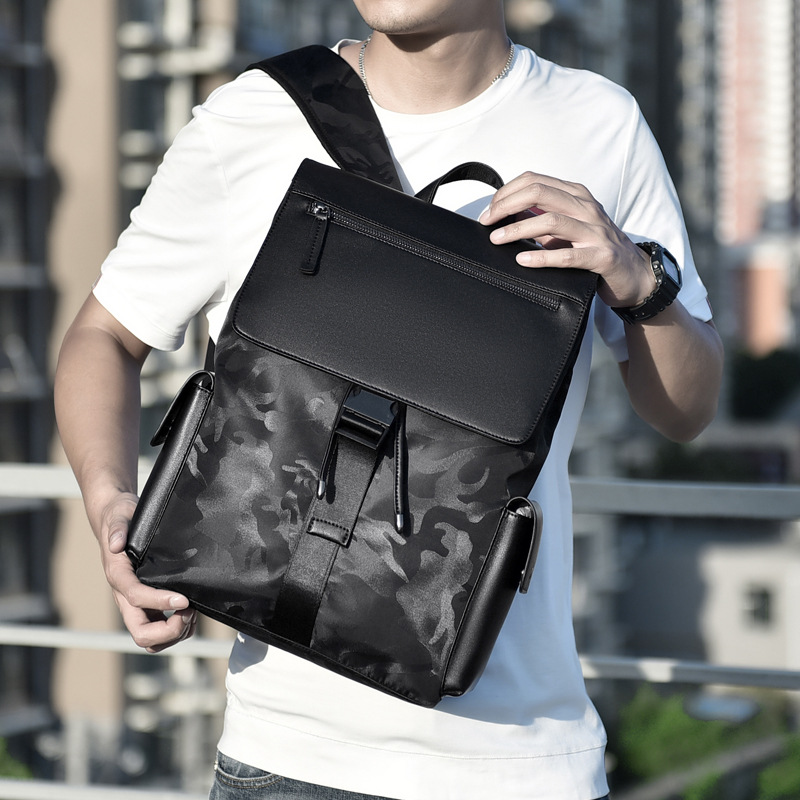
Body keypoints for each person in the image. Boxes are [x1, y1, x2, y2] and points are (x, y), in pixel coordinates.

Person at [54, 1, 724, 798]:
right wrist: (111, 505)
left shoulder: (597, 124)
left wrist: (638, 279)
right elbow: (104, 337)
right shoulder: (253, 118)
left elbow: (686, 409)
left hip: (524, 761)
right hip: (288, 760)